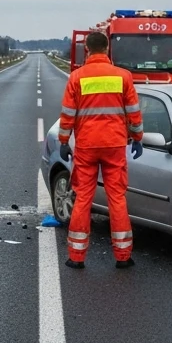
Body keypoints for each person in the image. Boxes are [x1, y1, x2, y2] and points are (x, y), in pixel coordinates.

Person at [58, 30, 144, 269]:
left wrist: (64, 142)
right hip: (115, 144)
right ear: (107, 49)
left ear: (87, 49)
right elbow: (134, 113)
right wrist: (137, 137)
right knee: (117, 198)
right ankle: (123, 256)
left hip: (86, 145)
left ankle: (76, 257)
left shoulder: (76, 78)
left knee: (83, 198)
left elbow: (67, 115)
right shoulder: (123, 77)